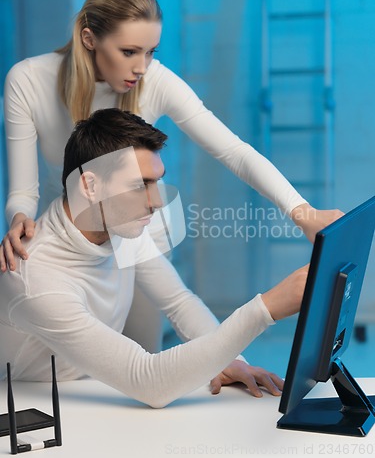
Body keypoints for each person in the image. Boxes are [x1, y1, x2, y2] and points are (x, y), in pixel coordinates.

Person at [0, 0, 340, 351]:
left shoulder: (155, 81)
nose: (142, 67)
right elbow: (22, 191)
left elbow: (233, 150)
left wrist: (301, 212)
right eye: (129, 51)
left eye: (150, 52)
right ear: (88, 38)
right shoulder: (29, 80)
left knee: (144, 357)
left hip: (137, 234)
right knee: (75, 366)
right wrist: (19, 217)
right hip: (73, 240)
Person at [0, 108, 308, 408]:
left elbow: (179, 302)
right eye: (140, 185)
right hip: (36, 414)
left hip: (93, 398)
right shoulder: (34, 278)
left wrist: (231, 361)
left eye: (156, 181)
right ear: (90, 186)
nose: (157, 201)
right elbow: (148, 381)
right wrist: (266, 308)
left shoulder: (116, 224)